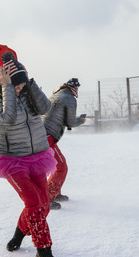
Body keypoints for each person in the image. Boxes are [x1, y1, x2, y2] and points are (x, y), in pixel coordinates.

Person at [0, 52, 57, 257]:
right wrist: (8, 88)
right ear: (2, 78)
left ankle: (18, 234)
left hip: (37, 155)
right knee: (33, 201)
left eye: (21, 85)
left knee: (44, 205)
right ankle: (43, 250)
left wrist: (28, 82)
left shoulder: (26, 88)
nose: (19, 89)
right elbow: (7, 118)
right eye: (16, 85)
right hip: (11, 159)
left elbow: (46, 108)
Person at [42, 78, 86, 210]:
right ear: (74, 88)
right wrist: (81, 121)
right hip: (47, 138)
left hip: (41, 134)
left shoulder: (55, 95)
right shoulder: (70, 98)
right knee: (61, 167)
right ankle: (47, 198)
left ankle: (55, 193)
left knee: (57, 165)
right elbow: (70, 122)